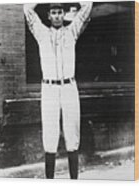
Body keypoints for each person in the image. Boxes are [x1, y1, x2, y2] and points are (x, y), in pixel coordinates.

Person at [23, 2, 93, 179]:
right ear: (48, 16)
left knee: (72, 134)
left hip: (69, 87)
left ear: (64, 15)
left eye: (60, 12)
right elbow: (27, 8)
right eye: (53, 13)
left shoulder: (72, 32)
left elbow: (87, 6)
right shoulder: (41, 33)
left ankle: (73, 180)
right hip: (49, 89)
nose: (56, 16)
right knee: (50, 134)